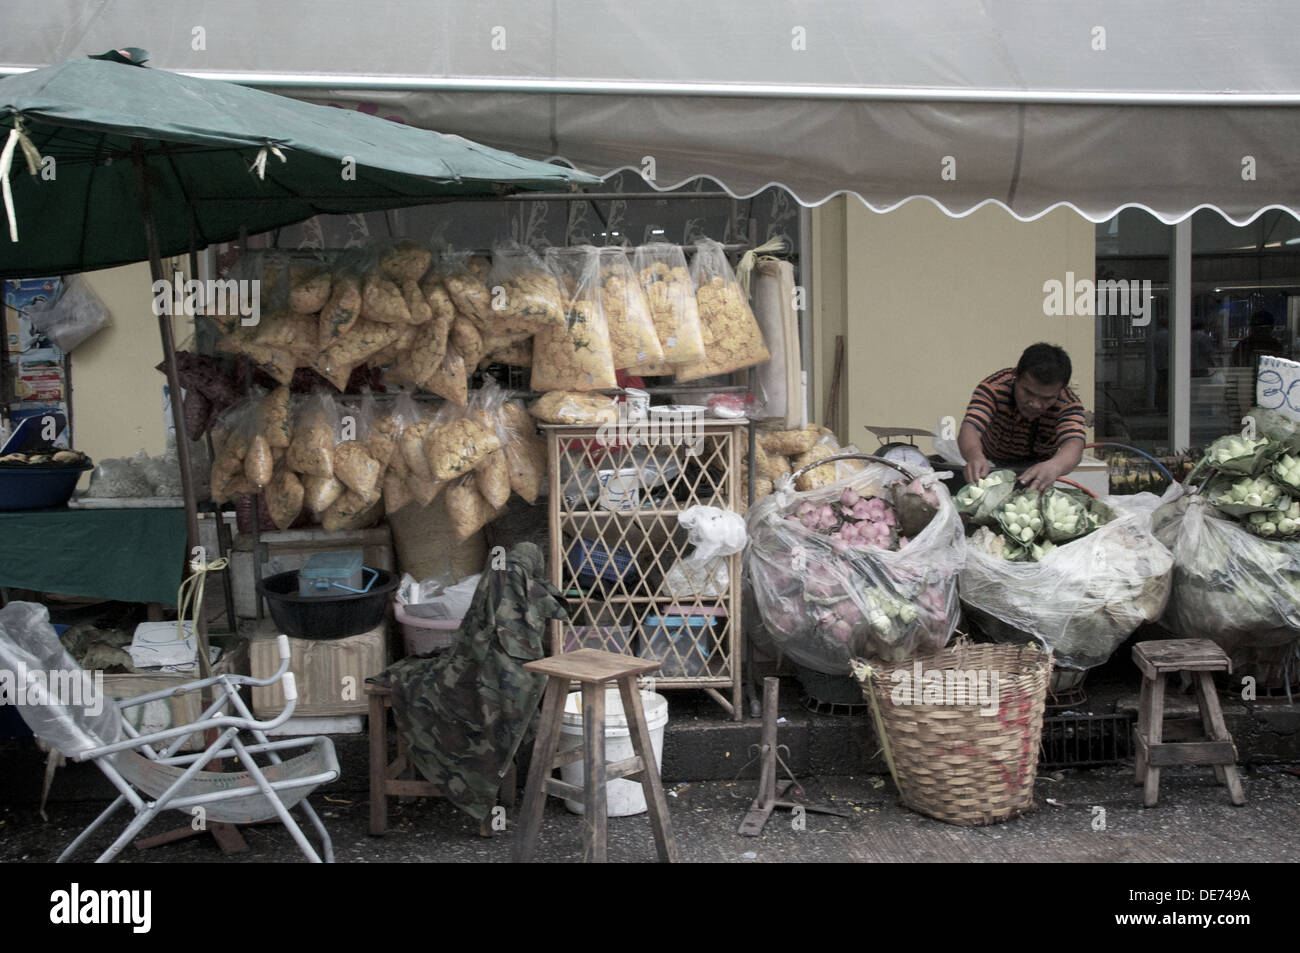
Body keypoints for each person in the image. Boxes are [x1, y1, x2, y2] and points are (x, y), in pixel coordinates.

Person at [958, 343, 1087, 492]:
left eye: (1047, 398)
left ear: (1061, 389)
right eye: (1028, 392)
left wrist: (1055, 466)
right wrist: (975, 456)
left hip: (1039, 472)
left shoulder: (1068, 403)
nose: (1035, 404)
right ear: (1016, 376)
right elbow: (971, 427)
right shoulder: (994, 388)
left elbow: (1074, 444)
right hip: (991, 467)